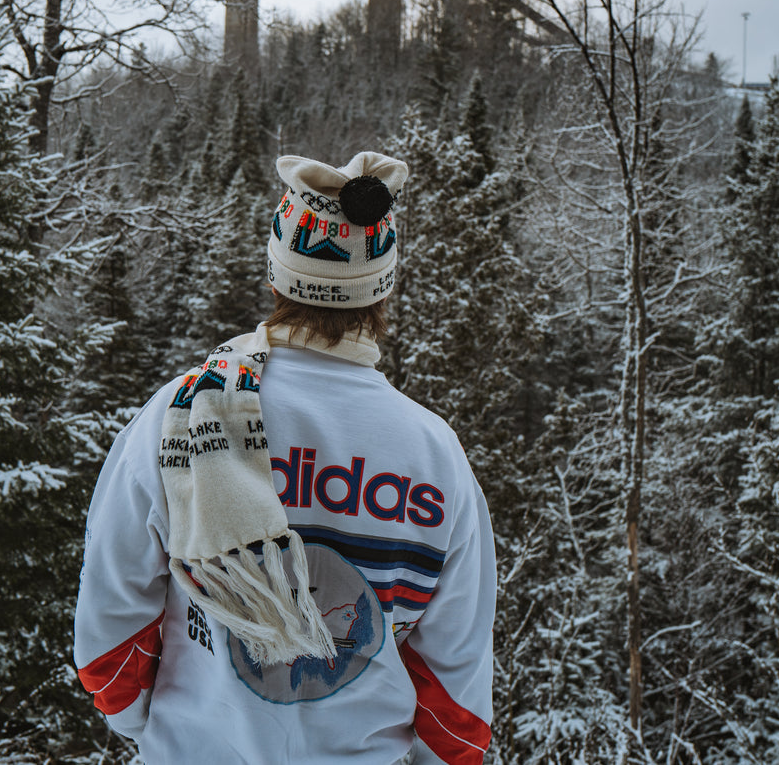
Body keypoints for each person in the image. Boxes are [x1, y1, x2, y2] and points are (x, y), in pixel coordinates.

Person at [73, 151, 495, 764]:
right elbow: (455, 692)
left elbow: (110, 626)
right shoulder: (436, 454)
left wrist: (155, 730)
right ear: (382, 289)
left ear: (277, 275)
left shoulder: (185, 413)